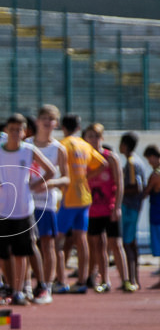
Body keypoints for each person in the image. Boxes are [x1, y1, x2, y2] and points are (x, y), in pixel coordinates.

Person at [0, 114, 57, 306]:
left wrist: (35, 185)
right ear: (7, 131)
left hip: (23, 210)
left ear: (24, 131)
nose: (15, 133)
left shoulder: (29, 150)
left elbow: (50, 170)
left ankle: (19, 292)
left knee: (21, 253)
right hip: (1, 209)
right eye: (11, 129)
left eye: (19, 129)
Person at [56, 113, 106, 294]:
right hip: (84, 197)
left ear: (62, 127)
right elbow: (103, 163)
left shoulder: (62, 145)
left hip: (69, 197)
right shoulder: (84, 145)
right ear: (78, 128)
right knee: (81, 239)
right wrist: (85, 177)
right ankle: (82, 280)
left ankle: (60, 280)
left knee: (55, 240)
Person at [29, 105, 69, 305]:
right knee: (27, 245)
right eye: (43, 117)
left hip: (46, 203)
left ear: (56, 123)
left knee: (47, 244)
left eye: (51, 119)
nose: (47, 121)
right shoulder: (26, 145)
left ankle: (46, 286)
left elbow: (67, 180)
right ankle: (27, 284)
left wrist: (50, 183)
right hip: (25, 204)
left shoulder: (59, 149)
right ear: (37, 120)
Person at [82, 123, 128, 293]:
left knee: (115, 243)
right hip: (92, 209)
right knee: (97, 245)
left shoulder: (111, 158)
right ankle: (105, 280)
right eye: (90, 136)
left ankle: (125, 280)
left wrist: (117, 207)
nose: (93, 139)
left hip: (109, 207)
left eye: (96, 136)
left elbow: (119, 183)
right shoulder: (84, 158)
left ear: (102, 137)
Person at [119, 132, 147, 292]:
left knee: (127, 243)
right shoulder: (138, 161)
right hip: (133, 206)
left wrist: (119, 190)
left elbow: (137, 186)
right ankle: (134, 278)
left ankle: (131, 278)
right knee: (132, 243)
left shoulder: (131, 162)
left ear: (125, 144)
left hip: (129, 207)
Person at [144, 145, 160, 288]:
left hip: (157, 213)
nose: (149, 162)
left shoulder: (156, 175)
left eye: (149, 159)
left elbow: (146, 191)